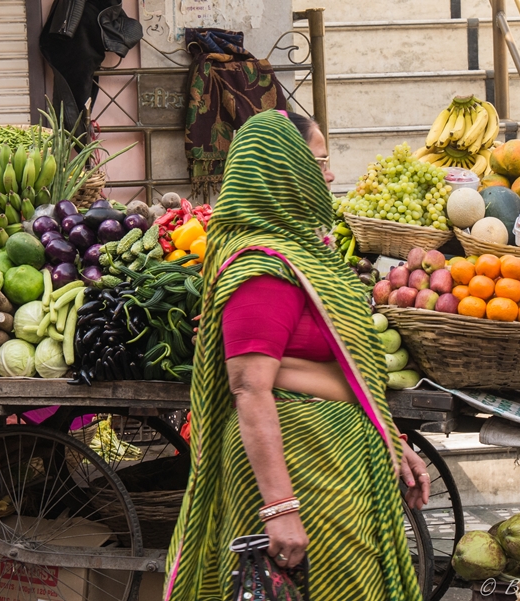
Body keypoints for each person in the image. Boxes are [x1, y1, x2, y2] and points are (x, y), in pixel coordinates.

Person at [164, 109, 430, 601]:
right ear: (285, 167)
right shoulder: (263, 267)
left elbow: (349, 368)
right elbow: (249, 387)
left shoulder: (306, 253)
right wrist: (280, 508)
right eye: (320, 160)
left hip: (335, 463)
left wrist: (392, 440)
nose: (329, 175)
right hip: (299, 467)